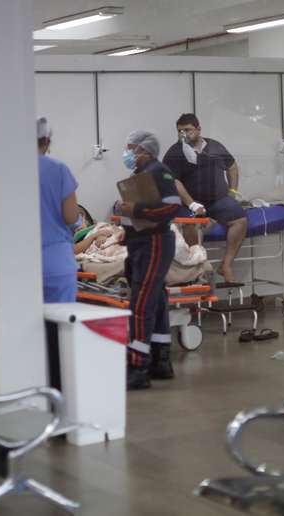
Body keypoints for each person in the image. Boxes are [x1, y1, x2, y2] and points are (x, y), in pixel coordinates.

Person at [114, 131, 181, 390]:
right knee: (156, 298)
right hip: (141, 241)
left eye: (131, 148)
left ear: (144, 150)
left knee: (141, 302)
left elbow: (172, 207)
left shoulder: (159, 171)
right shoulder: (141, 176)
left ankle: (138, 366)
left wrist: (136, 210)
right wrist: (127, 228)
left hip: (154, 242)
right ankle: (160, 360)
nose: (128, 153)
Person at [163, 113, 248, 283]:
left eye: (187, 130)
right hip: (189, 203)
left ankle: (226, 265)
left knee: (240, 220)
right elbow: (174, 181)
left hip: (217, 200)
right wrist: (192, 204)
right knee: (190, 225)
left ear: (199, 129)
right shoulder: (175, 152)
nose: (183, 134)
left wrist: (232, 191)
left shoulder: (215, 147)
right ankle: (198, 269)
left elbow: (232, 166)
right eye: (179, 131)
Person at [37, 116, 82, 303]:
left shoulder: (8, 171)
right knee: (60, 329)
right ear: (47, 142)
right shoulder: (58, 169)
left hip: (19, 264)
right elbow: (71, 217)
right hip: (56, 264)